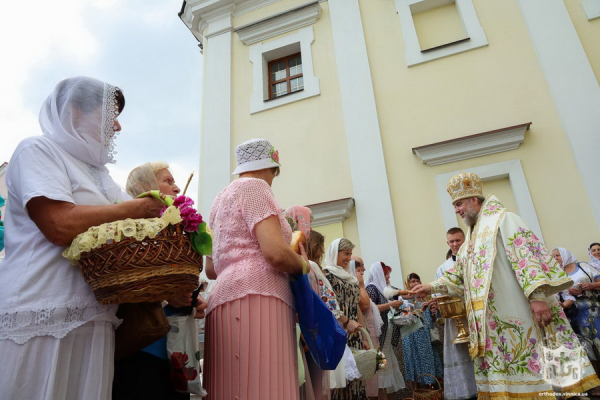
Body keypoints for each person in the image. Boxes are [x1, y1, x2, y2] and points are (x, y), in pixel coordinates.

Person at [0, 76, 166, 400]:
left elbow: (128, 231)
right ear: (74, 113)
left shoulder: (102, 176)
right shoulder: (38, 149)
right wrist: (137, 208)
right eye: (110, 115)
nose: (117, 127)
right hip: (41, 311)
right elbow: (58, 225)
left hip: (94, 318)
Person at [411, 171, 600, 399]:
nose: (457, 210)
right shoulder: (471, 236)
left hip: (518, 311)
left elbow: (526, 258)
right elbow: (460, 274)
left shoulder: (504, 220)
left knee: (541, 372)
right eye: (454, 205)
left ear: (474, 200)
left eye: (459, 203)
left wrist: (538, 298)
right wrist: (431, 287)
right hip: (492, 322)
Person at [203, 138, 307, 400]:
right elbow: (274, 253)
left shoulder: (219, 200)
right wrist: (305, 266)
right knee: (268, 386)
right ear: (272, 168)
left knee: (229, 387)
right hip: (261, 295)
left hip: (222, 296)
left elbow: (211, 269)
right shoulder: (256, 187)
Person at [112, 161, 208, 400]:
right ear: (145, 188)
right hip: (141, 350)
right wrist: (168, 296)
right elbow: (125, 281)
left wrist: (191, 301)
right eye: (167, 181)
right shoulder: (129, 231)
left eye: (175, 181)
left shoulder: (172, 234)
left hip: (174, 355)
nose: (176, 188)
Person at [434, 227, 477, 400]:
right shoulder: (443, 268)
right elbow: (438, 294)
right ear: (447, 243)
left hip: (474, 316)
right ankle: (466, 392)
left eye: (458, 240)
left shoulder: (475, 260)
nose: (455, 244)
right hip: (454, 318)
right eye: (451, 241)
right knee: (460, 356)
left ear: (465, 240)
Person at [323, 238, 367, 400]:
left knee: (356, 381)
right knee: (341, 383)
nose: (349, 258)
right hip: (338, 333)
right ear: (335, 253)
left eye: (350, 254)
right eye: (346, 254)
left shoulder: (350, 277)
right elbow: (328, 307)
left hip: (354, 333)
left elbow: (357, 307)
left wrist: (363, 335)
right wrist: (345, 322)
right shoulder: (327, 274)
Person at [552, 247, 600, 389]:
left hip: (594, 308)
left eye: (558, 255)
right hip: (575, 314)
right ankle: (597, 384)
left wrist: (589, 285)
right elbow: (560, 295)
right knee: (587, 348)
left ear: (565, 254)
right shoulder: (556, 274)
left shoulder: (583, 266)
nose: (555, 259)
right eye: (553, 256)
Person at [365, 262, 406, 400]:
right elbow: (369, 308)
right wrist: (390, 305)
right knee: (382, 378)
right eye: (386, 274)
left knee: (389, 380)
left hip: (386, 340)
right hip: (379, 339)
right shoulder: (371, 288)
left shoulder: (383, 289)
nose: (388, 277)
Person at [401, 273, 444, 387]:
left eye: (417, 281)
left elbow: (432, 320)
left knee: (430, 364)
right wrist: (421, 309)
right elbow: (405, 318)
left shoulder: (427, 297)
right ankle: (418, 391)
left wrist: (433, 311)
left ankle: (432, 391)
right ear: (408, 284)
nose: (415, 283)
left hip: (427, 337)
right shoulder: (405, 300)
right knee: (416, 365)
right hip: (413, 338)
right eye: (412, 281)